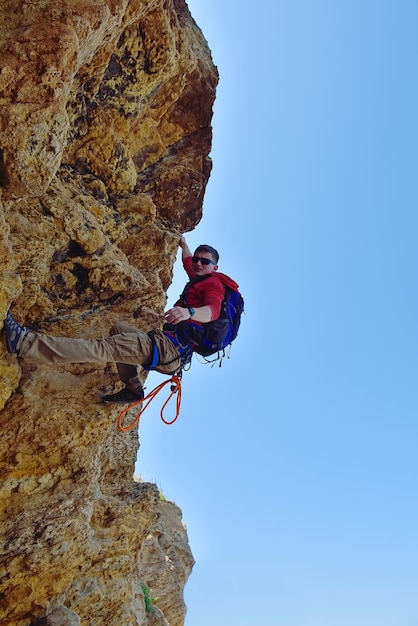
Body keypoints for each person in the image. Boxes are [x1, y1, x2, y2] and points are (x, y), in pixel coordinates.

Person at [4, 236, 239, 404]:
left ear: (215, 267)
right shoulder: (199, 275)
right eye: (197, 259)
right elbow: (189, 262)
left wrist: (189, 313)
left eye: (204, 262)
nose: (198, 263)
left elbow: (213, 311)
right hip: (169, 349)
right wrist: (184, 244)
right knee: (118, 329)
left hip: (168, 348)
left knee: (101, 348)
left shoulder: (213, 284)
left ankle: (24, 343)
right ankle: (134, 388)